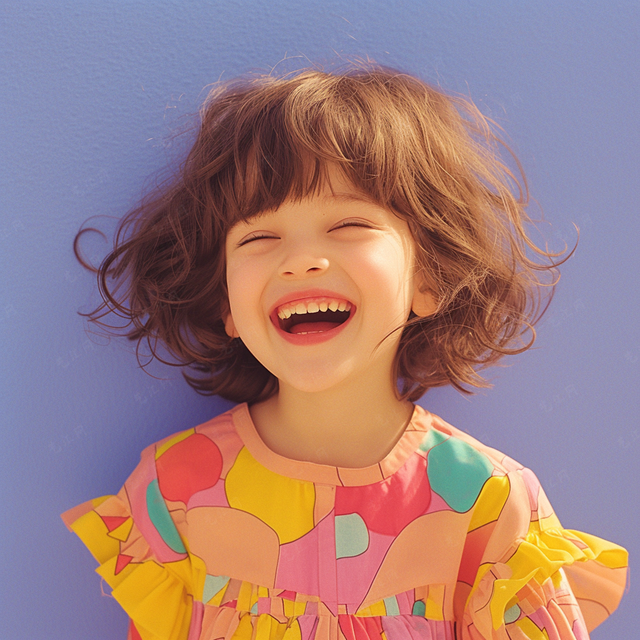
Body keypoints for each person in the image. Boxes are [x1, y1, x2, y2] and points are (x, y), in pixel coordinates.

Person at [62, 64, 628, 640]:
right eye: (259, 237)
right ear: (226, 303)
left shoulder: (488, 505)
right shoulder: (173, 489)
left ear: (427, 278)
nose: (300, 259)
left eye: (350, 223)